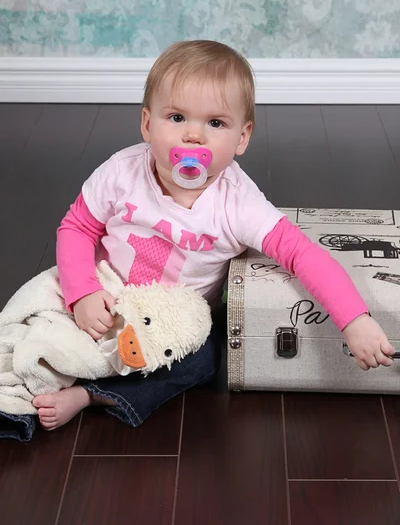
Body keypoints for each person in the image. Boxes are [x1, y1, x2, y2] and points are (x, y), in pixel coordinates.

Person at [32, 40, 395, 431]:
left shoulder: (238, 204)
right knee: (43, 312)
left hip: (173, 324)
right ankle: (48, 368)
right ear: (147, 123)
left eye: (215, 123)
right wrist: (82, 291)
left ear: (242, 137)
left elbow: (301, 255)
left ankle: (92, 395)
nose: (193, 136)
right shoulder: (122, 172)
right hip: (105, 294)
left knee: (202, 361)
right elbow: (77, 227)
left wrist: (354, 320)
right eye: (176, 117)